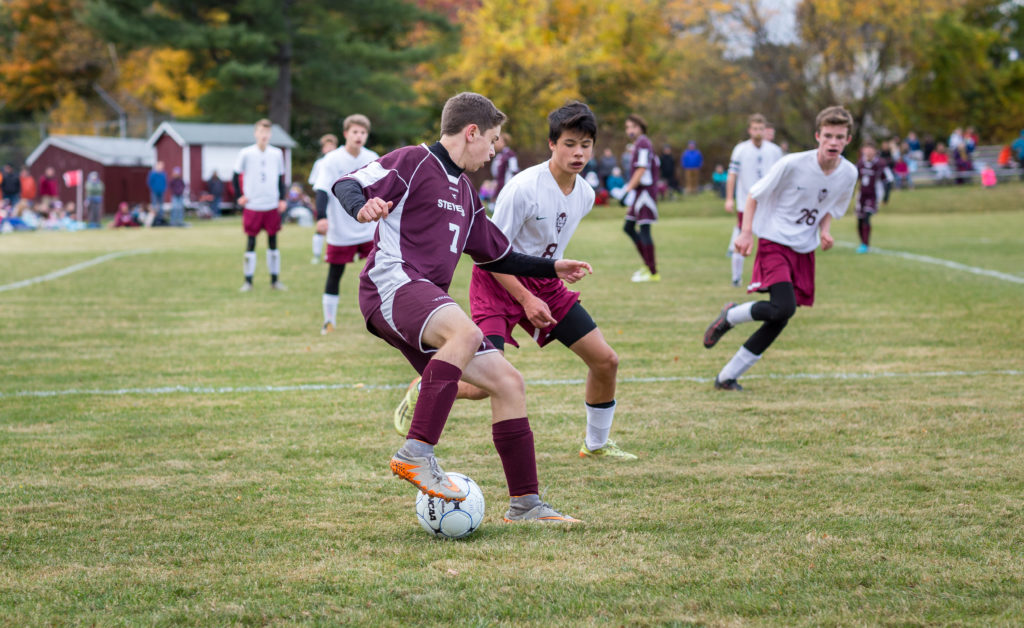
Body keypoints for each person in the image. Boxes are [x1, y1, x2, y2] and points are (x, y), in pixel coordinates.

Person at [331, 92, 590, 522]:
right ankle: (416, 453)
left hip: (424, 299)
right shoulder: (414, 161)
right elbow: (347, 183)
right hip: (391, 285)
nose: (493, 151)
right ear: (471, 132)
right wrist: (363, 207)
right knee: (466, 332)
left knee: (508, 381)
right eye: (491, 140)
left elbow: (500, 256)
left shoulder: (467, 195)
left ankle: (526, 504)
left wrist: (553, 266)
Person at [395, 101, 635, 461]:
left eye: (585, 145)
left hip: (544, 284)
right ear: (552, 144)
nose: (578, 152)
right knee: (482, 388)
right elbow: (490, 255)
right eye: (569, 143)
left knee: (605, 360)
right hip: (497, 283)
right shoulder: (523, 188)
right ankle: (423, 384)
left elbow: (546, 244)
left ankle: (596, 444)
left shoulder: (584, 194)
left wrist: (553, 273)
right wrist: (525, 299)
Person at [702, 105, 858, 391]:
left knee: (780, 316)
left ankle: (727, 377)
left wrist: (825, 231)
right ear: (817, 136)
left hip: (804, 248)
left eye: (840, 136)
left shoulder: (849, 173)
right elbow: (753, 195)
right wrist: (746, 233)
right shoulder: (793, 164)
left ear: (848, 140)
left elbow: (829, 206)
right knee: (783, 307)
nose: (833, 142)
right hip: (774, 239)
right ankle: (731, 315)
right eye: (828, 135)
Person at [313, 114, 378, 335]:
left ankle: (384, 320)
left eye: (363, 132)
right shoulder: (331, 160)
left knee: (380, 273)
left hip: (369, 229)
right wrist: (321, 216)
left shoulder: (372, 157)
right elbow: (321, 190)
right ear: (345, 134)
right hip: (340, 230)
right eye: (355, 132)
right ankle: (328, 321)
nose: (359, 136)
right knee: (335, 273)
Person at [725, 113, 784, 287]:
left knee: (769, 240)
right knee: (742, 237)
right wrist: (729, 198)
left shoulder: (774, 150)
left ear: (765, 130)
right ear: (750, 130)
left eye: (761, 128)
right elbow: (732, 175)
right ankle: (736, 276)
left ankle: (767, 276)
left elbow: (782, 176)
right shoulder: (741, 149)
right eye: (755, 128)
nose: (758, 132)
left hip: (769, 203)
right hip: (746, 203)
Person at [234, 119, 288, 292]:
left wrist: (281, 198)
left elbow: (281, 177)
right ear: (255, 133)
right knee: (251, 242)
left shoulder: (277, 153)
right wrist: (240, 196)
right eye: (261, 132)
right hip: (253, 205)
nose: (264, 135)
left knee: (273, 243)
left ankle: (275, 280)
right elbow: (235, 175)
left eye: (267, 132)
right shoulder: (246, 153)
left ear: (270, 134)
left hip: (271, 204)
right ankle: (248, 281)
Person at [613, 114, 660, 282]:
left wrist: (626, 192)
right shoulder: (638, 144)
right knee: (628, 227)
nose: (630, 130)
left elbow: (641, 170)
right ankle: (648, 266)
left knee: (644, 230)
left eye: (633, 127)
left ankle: (652, 271)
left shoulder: (643, 143)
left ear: (640, 127)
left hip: (645, 193)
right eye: (627, 127)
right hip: (639, 193)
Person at [853, 141, 893, 253]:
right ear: (863, 150)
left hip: (874, 195)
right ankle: (862, 242)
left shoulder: (880, 164)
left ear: (875, 151)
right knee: (860, 219)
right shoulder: (860, 163)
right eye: (866, 148)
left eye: (871, 149)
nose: (868, 151)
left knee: (866, 216)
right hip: (861, 195)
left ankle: (865, 244)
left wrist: (886, 197)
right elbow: (853, 178)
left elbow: (889, 180)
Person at [309, 133, 339, 264]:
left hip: (338, 200)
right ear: (323, 149)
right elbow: (314, 182)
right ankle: (316, 254)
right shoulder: (319, 164)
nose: (329, 149)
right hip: (324, 199)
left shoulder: (340, 161)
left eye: (332, 146)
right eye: (327, 146)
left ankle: (331, 254)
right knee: (322, 226)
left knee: (337, 228)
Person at [491, 132, 519, 201]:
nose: (495, 143)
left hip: (507, 189)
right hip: (499, 188)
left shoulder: (510, 155)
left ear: (504, 142)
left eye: (498, 141)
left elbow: (514, 171)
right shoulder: (498, 155)